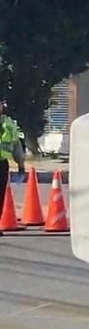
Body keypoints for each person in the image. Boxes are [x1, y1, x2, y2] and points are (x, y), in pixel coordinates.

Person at [0, 100, 25, 236]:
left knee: (0, 197)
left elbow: (16, 146)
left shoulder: (9, 125)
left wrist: (21, 165)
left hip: (2, 163)